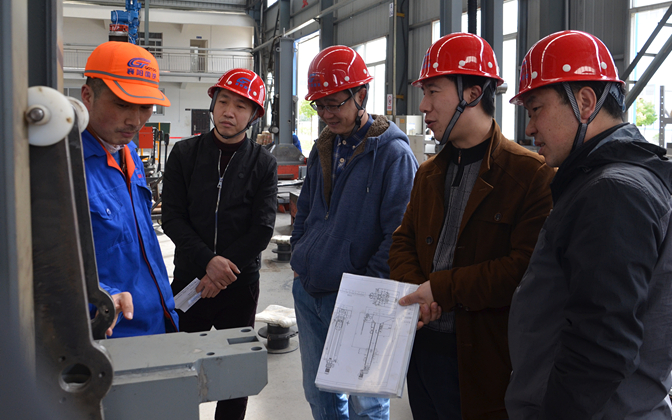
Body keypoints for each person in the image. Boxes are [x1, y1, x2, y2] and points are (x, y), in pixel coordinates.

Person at [504, 30, 672, 419]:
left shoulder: (614, 192)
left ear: (585, 102)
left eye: (536, 109)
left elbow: (601, 345)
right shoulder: (599, 182)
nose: (530, 128)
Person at [389, 32, 555, 420]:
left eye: (433, 91)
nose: (424, 106)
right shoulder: (429, 173)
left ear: (473, 93)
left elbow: (523, 270)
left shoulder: (530, 175)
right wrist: (418, 293)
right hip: (422, 350)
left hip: (482, 362)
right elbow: (403, 241)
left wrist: (442, 289)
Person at [291, 45, 419, 420]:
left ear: (361, 94)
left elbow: (399, 233)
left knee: (367, 403)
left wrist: (366, 290)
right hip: (310, 291)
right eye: (320, 106)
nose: (327, 114)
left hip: (360, 298)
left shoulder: (393, 155)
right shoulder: (324, 147)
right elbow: (306, 209)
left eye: (335, 104)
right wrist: (300, 256)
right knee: (321, 397)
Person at [161, 68, 278, 420]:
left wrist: (221, 272)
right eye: (224, 102)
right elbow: (172, 218)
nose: (229, 112)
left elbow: (262, 228)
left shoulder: (263, 164)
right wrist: (207, 264)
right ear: (212, 104)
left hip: (239, 286)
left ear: (254, 115)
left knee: (236, 375)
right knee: (180, 368)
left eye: (241, 106)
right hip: (191, 282)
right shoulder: (184, 154)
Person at [80, 41, 179, 338]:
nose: (135, 121)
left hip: (157, 318)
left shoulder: (129, 152)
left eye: (145, 107)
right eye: (122, 104)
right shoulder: (64, 165)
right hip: (110, 331)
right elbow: (39, 261)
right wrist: (100, 296)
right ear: (87, 96)